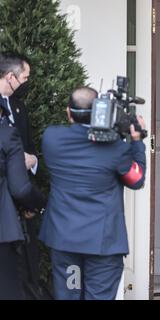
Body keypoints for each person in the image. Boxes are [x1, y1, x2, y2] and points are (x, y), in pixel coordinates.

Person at [39, 87, 146, 300]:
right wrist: (136, 141)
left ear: (68, 112)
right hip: (102, 246)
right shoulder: (115, 148)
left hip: (65, 240)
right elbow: (136, 180)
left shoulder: (52, 138)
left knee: (69, 296)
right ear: (101, 112)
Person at [0, 52, 43, 299]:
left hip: (22, 202)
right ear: (10, 76)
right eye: (24, 77)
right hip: (8, 196)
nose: (27, 82)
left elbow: (29, 145)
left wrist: (33, 161)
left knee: (27, 269)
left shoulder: (18, 106)